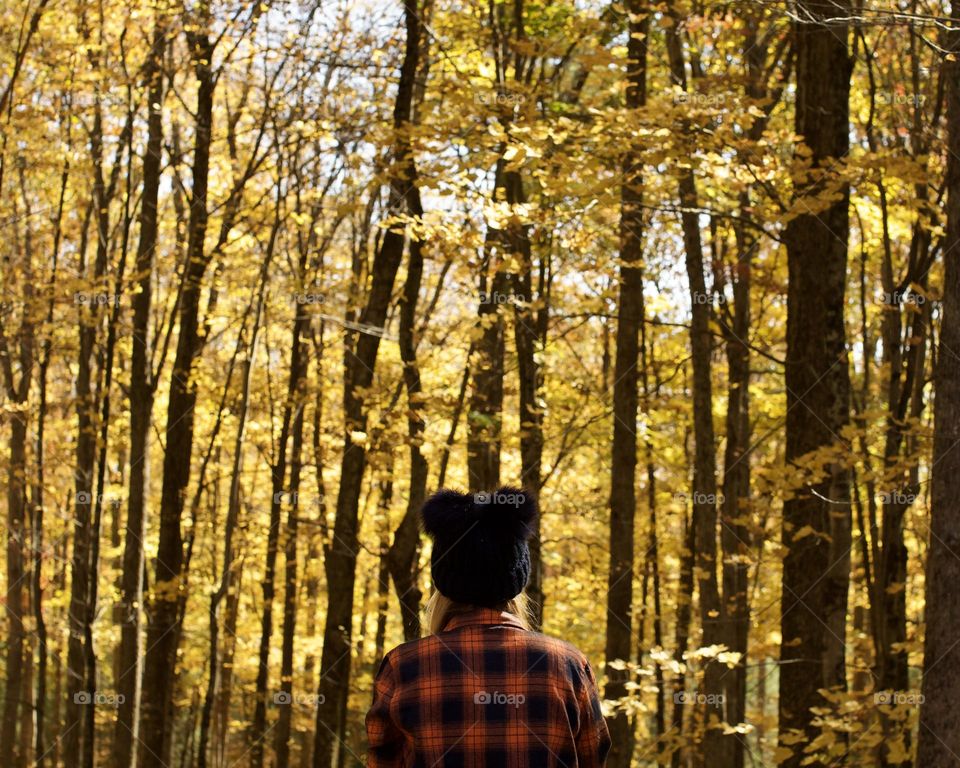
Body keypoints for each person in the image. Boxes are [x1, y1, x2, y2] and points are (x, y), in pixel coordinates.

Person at [366, 486, 611, 767]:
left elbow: (381, 759)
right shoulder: (568, 666)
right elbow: (593, 759)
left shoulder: (403, 666)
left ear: (443, 583)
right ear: (517, 582)